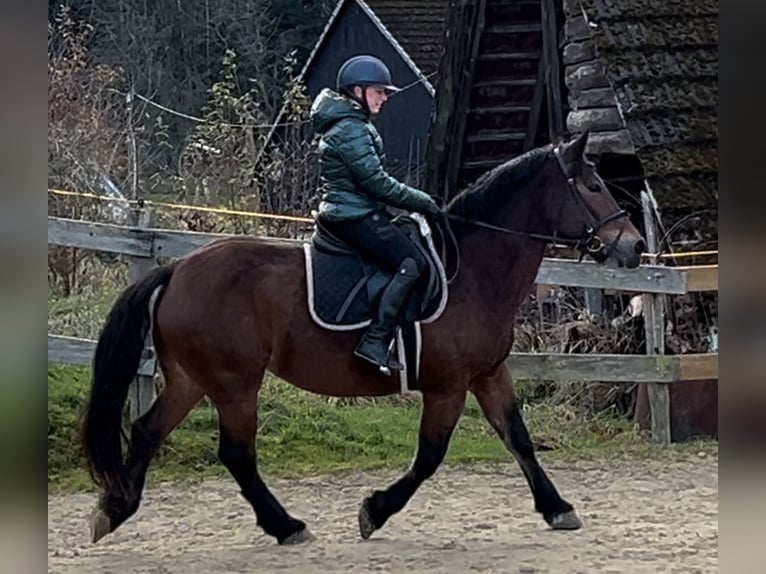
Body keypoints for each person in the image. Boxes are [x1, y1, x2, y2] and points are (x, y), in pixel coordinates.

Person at [309, 54, 440, 373]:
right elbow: (377, 183)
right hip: (353, 216)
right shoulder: (350, 129)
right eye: (379, 91)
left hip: (353, 211)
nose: (386, 97)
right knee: (412, 263)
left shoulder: (352, 124)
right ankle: (375, 341)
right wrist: (424, 201)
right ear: (358, 91)